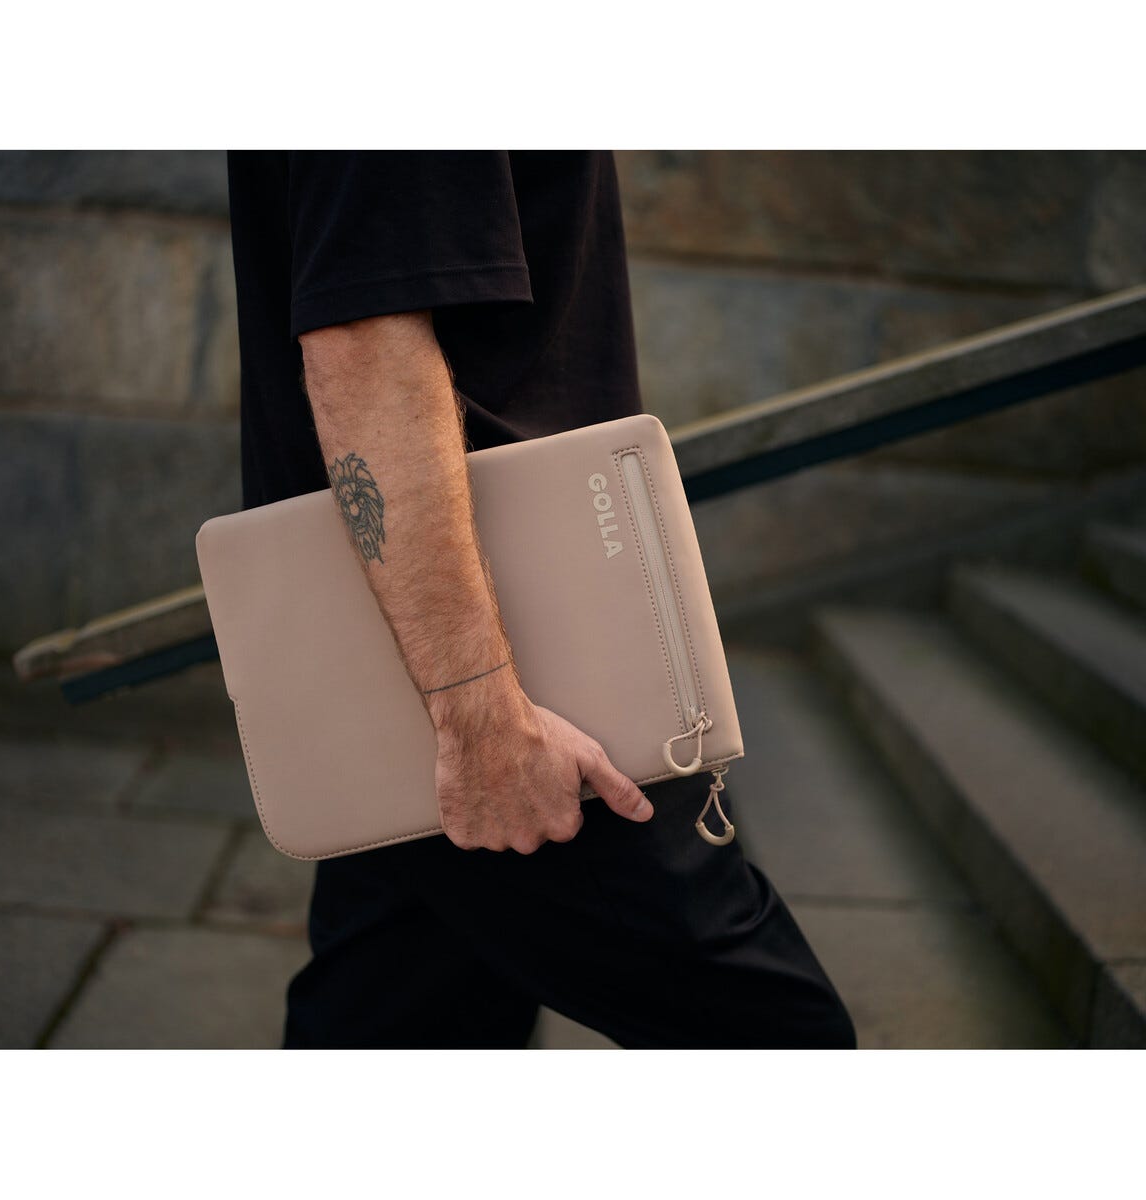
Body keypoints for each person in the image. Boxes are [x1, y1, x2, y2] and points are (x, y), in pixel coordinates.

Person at [225, 151, 856, 1049]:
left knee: (402, 1018)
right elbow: (365, 343)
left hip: (453, 656)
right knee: (779, 1036)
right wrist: (477, 717)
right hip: (521, 686)